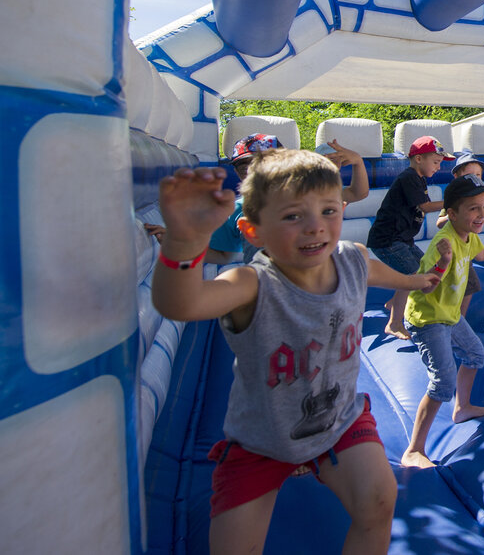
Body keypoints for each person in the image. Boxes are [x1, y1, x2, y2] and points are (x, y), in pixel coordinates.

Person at [149, 149, 444, 552]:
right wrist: (185, 244)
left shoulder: (353, 260)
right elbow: (179, 305)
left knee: (379, 501)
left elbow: (385, 274)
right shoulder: (251, 284)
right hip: (262, 440)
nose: (314, 227)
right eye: (292, 216)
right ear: (253, 232)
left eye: (328, 211)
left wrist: (420, 281)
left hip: (339, 421)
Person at [401, 174, 484, 469]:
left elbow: (482, 253)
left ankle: (462, 408)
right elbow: (426, 287)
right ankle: (414, 449)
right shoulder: (443, 242)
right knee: (442, 381)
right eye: (474, 208)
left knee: (475, 354)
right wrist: (443, 263)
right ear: (451, 213)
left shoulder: (469, 237)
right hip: (428, 318)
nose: (483, 214)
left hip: (449, 314)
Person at [204, 134, 369, 264]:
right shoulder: (237, 208)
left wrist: (358, 162)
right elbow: (224, 255)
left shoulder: (307, 193)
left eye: (264, 162)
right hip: (267, 288)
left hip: (316, 279)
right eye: (243, 167)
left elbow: (357, 193)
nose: (252, 170)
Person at [367, 135, 454, 339]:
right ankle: (394, 323)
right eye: (435, 162)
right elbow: (424, 206)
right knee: (414, 278)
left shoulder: (418, 179)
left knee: (422, 269)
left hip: (402, 240)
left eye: (440, 163)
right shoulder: (408, 178)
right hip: (388, 240)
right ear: (418, 159)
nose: (438, 167)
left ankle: (394, 301)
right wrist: (452, 202)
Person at [436, 152, 484, 315]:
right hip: (451, 251)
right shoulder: (455, 198)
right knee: (446, 284)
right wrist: (453, 217)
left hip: (466, 251)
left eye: (478, 175)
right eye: (469, 175)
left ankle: (460, 317)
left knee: (470, 284)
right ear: (456, 176)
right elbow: (439, 223)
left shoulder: (482, 196)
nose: (475, 178)